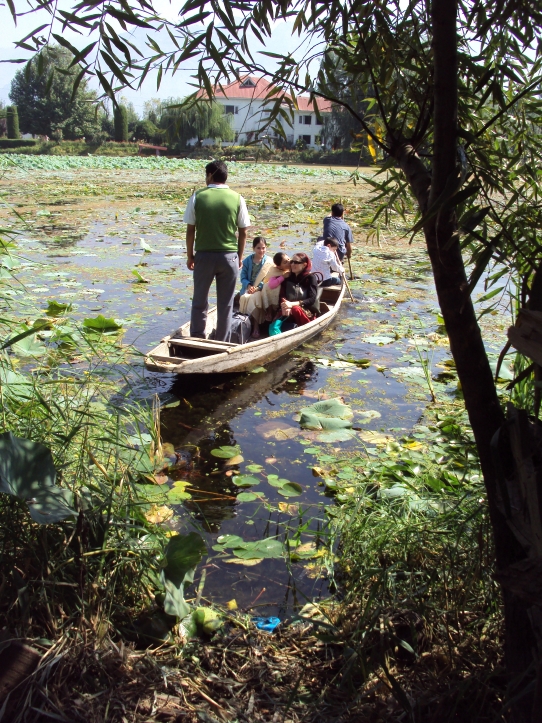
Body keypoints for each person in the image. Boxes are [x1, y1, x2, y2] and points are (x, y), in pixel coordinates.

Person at [183, 160, 250, 342]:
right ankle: (222, 341)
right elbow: (243, 231)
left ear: (210, 175)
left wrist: (190, 255)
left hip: (204, 256)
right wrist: (240, 256)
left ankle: (197, 337)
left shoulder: (197, 196)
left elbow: (191, 230)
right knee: (226, 304)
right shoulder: (237, 198)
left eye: (206, 175)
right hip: (229, 258)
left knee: (199, 301)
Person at [272, 253, 318, 333]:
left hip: (305, 309)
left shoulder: (310, 278)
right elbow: (282, 295)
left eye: (296, 262)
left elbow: (312, 299)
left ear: (304, 265)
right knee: (277, 317)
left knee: (296, 309)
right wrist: (284, 306)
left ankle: (304, 331)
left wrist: (292, 305)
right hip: (288, 308)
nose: (292, 264)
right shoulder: (288, 277)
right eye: (292, 261)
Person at [238, 237, 273, 338]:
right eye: (258, 248)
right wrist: (249, 286)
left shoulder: (269, 262)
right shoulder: (247, 261)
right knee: (245, 297)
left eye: (263, 248)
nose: (261, 251)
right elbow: (243, 278)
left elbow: (268, 279)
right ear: (253, 248)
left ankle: (256, 326)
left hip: (262, 289)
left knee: (253, 299)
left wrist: (257, 288)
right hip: (249, 287)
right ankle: (245, 324)